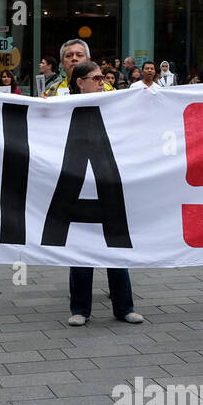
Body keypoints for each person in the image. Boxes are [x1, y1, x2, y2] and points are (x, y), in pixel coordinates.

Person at [63, 60, 145, 327]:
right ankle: (80, 309)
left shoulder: (114, 103)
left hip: (108, 183)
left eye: (103, 78)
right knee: (81, 249)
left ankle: (124, 307)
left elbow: (150, 103)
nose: (103, 82)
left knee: (115, 247)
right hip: (76, 185)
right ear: (80, 82)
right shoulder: (60, 105)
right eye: (97, 78)